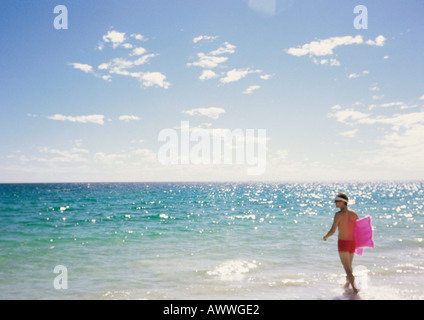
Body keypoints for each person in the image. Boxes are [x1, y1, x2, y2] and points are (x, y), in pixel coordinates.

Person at [323, 193, 359, 294]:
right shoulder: (354, 214)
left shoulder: (338, 215)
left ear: (343, 202)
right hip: (353, 243)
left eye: (336, 201)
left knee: (347, 268)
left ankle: (355, 289)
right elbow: (359, 229)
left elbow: (333, 230)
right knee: (349, 266)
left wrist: (326, 236)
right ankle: (347, 284)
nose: (335, 203)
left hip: (343, 244)